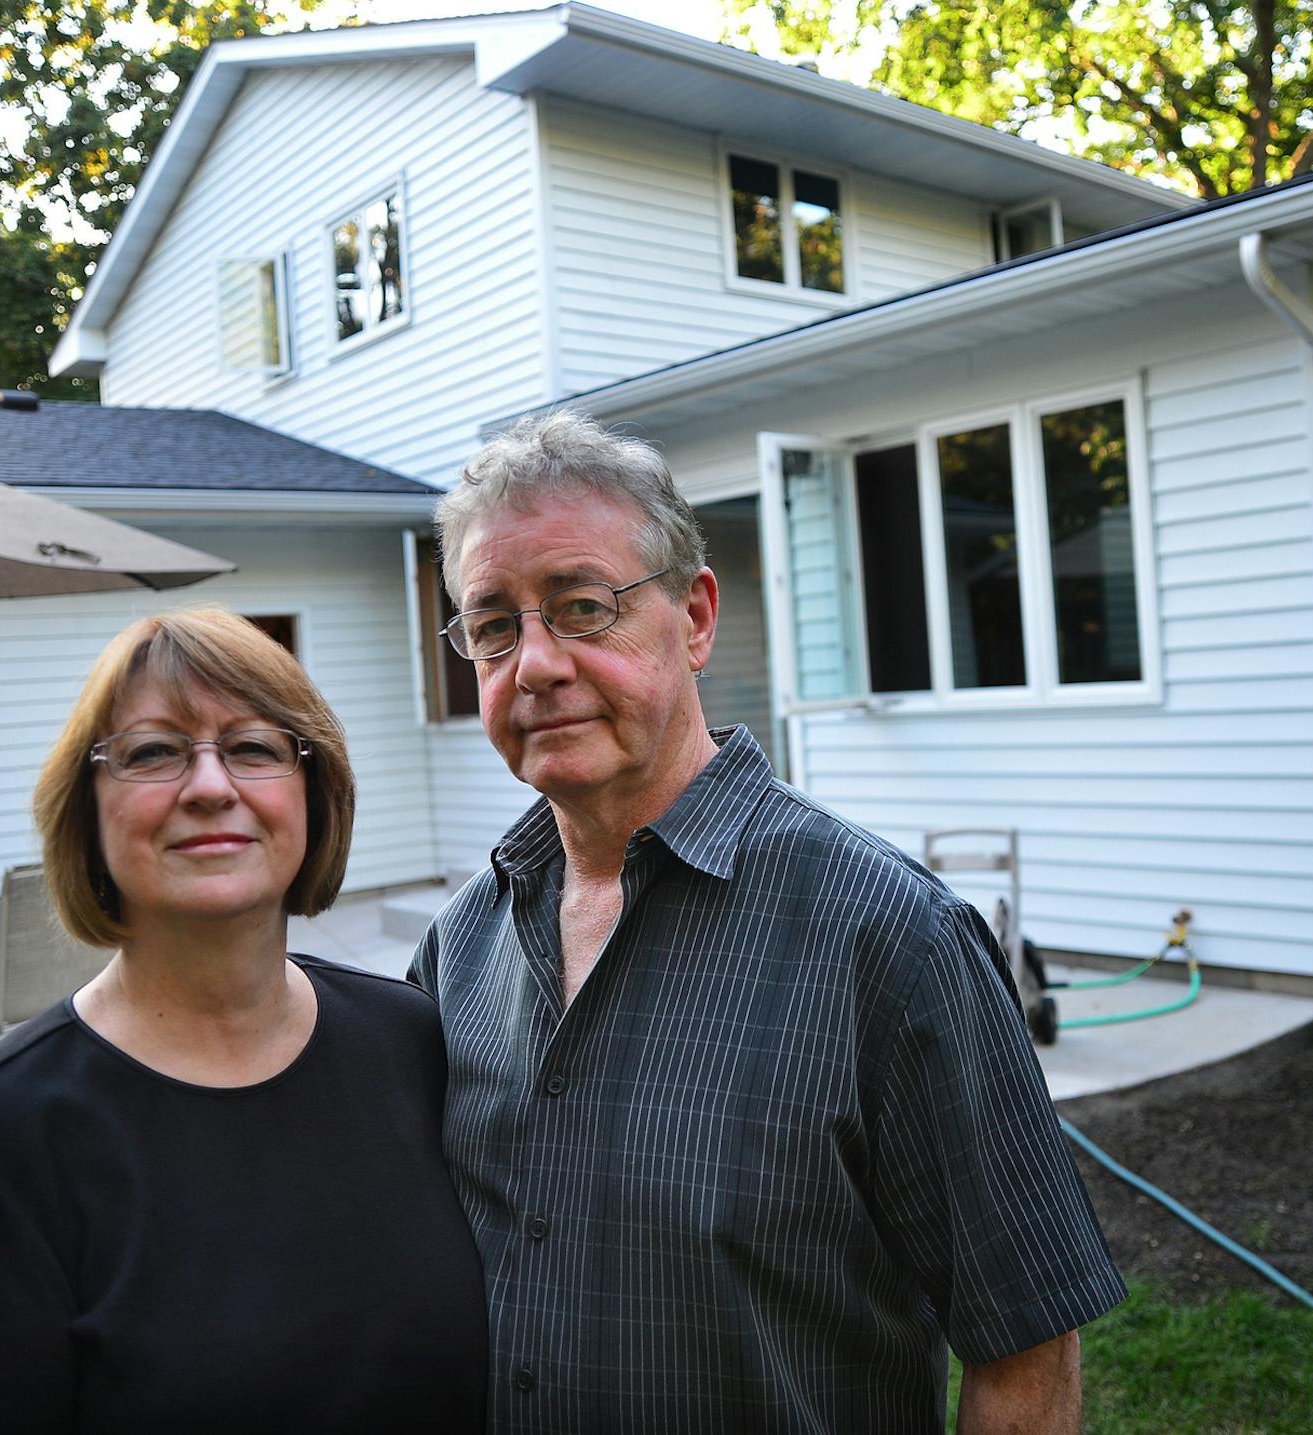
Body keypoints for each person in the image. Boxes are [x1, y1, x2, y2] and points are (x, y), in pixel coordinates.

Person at [410, 414, 1127, 1434]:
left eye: (581, 607)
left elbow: (1027, 1349)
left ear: (694, 618)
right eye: (492, 625)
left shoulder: (890, 940)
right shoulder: (459, 949)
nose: (533, 664)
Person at [0, 608, 487, 1434]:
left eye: (254, 747)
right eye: (152, 752)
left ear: (314, 794)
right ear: (86, 813)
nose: (208, 786)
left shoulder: (410, 1040)